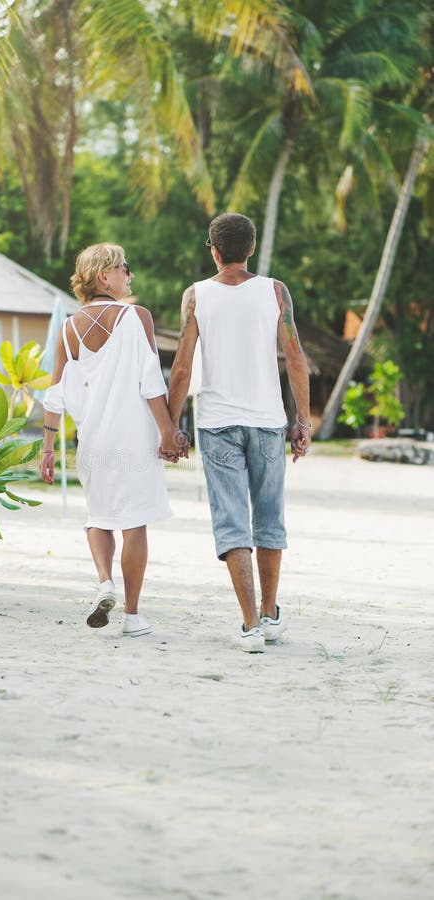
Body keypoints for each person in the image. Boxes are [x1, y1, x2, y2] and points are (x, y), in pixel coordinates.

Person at [168, 213, 311, 653]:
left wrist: (170, 427)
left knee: (231, 521)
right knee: (269, 517)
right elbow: (296, 358)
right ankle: (270, 616)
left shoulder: (196, 296)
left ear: (213, 250)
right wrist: (303, 421)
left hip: (217, 424)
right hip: (268, 422)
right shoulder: (275, 291)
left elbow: (182, 367)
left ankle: (249, 623)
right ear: (250, 248)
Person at [40, 243, 188, 637]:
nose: (130, 275)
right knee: (133, 524)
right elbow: (150, 382)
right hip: (134, 440)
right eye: (125, 268)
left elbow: (54, 393)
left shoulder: (68, 330)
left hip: (93, 443)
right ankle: (133, 616)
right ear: (104, 276)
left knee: (98, 518)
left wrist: (48, 447)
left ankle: (105, 582)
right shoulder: (137, 316)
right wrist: (168, 432)